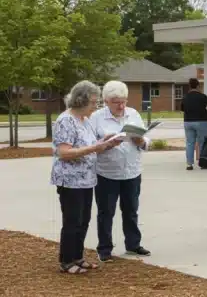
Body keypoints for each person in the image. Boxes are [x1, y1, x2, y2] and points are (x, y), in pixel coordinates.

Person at [50, 81, 122, 274]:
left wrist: (106, 143)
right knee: (72, 221)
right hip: (70, 180)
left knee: (83, 220)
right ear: (80, 100)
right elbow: (64, 152)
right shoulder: (66, 120)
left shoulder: (84, 120)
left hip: (87, 179)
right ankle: (66, 261)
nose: (95, 106)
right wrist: (94, 148)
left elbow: (91, 145)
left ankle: (77, 257)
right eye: (93, 102)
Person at [89, 81, 152, 263]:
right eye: (116, 102)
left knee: (131, 209)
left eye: (123, 101)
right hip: (106, 173)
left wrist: (141, 141)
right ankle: (105, 248)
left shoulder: (133, 114)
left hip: (132, 171)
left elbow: (146, 140)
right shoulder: (96, 118)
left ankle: (133, 244)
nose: (121, 106)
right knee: (106, 211)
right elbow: (90, 146)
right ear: (106, 101)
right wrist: (106, 143)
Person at [181, 78, 207, 170]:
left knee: (189, 143)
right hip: (201, 121)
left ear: (189, 85)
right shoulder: (202, 96)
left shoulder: (185, 97)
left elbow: (182, 109)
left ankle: (189, 164)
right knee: (202, 142)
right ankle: (202, 163)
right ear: (198, 85)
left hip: (188, 122)